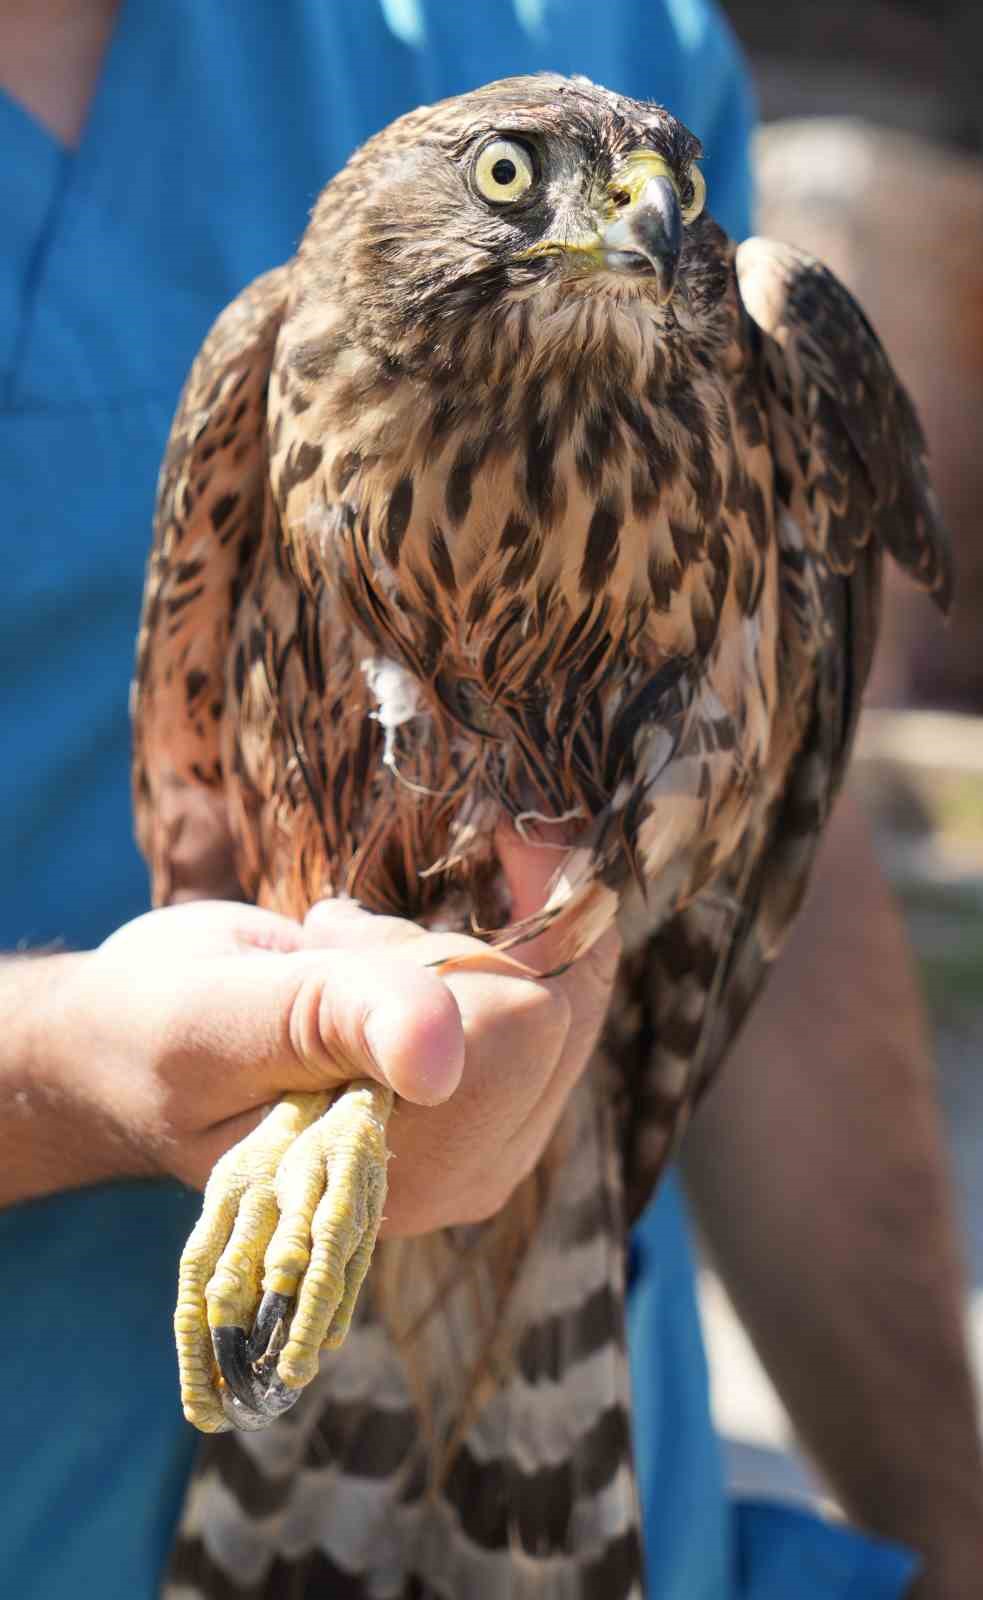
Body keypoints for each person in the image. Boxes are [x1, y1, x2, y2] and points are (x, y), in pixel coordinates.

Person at [1, 2, 980, 1596]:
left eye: (649, 196)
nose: (635, 219)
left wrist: (953, 1536)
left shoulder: (597, 31)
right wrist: (77, 1076)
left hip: (603, 1387)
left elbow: (793, 838)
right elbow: (194, 805)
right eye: (523, 178)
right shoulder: (276, 362)